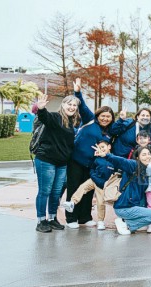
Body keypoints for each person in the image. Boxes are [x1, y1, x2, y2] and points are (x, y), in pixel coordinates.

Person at [33, 94, 81, 233]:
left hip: (62, 163)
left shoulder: (73, 122)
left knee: (56, 192)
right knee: (45, 191)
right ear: (63, 105)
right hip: (46, 160)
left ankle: (52, 218)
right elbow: (44, 117)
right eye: (69, 104)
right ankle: (41, 221)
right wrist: (41, 109)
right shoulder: (55, 117)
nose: (71, 107)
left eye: (74, 105)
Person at [67, 103, 114, 229]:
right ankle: (71, 218)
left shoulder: (109, 131)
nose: (105, 119)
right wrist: (77, 92)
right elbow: (82, 107)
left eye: (108, 117)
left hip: (93, 164)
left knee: (89, 191)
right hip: (76, 161)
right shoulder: (90, 120)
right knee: (74, 188)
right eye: (103, 116)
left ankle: (85, 217)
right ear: (98, 115)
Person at [96, 145, 151, 235]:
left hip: (131, 206)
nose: (147, 157)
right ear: (138, 157)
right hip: (124, 207)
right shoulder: (133, 165)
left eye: (149, 154)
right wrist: (107, 155)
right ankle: (126, 224)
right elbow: (121, 161)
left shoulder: (146, 171)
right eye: (144, 155)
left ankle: (126, 223)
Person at [61, 139, 115, 231]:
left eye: (103, 147)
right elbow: (92, 168)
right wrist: (93, 176)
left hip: (102, 184)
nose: (101, 149)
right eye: (99, 148)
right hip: (94, 180)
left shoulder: (113, 159)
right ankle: (72, 202)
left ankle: (101, 221)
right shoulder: (97, 159)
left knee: (100, 202)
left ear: (109, 147)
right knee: (82, 188)